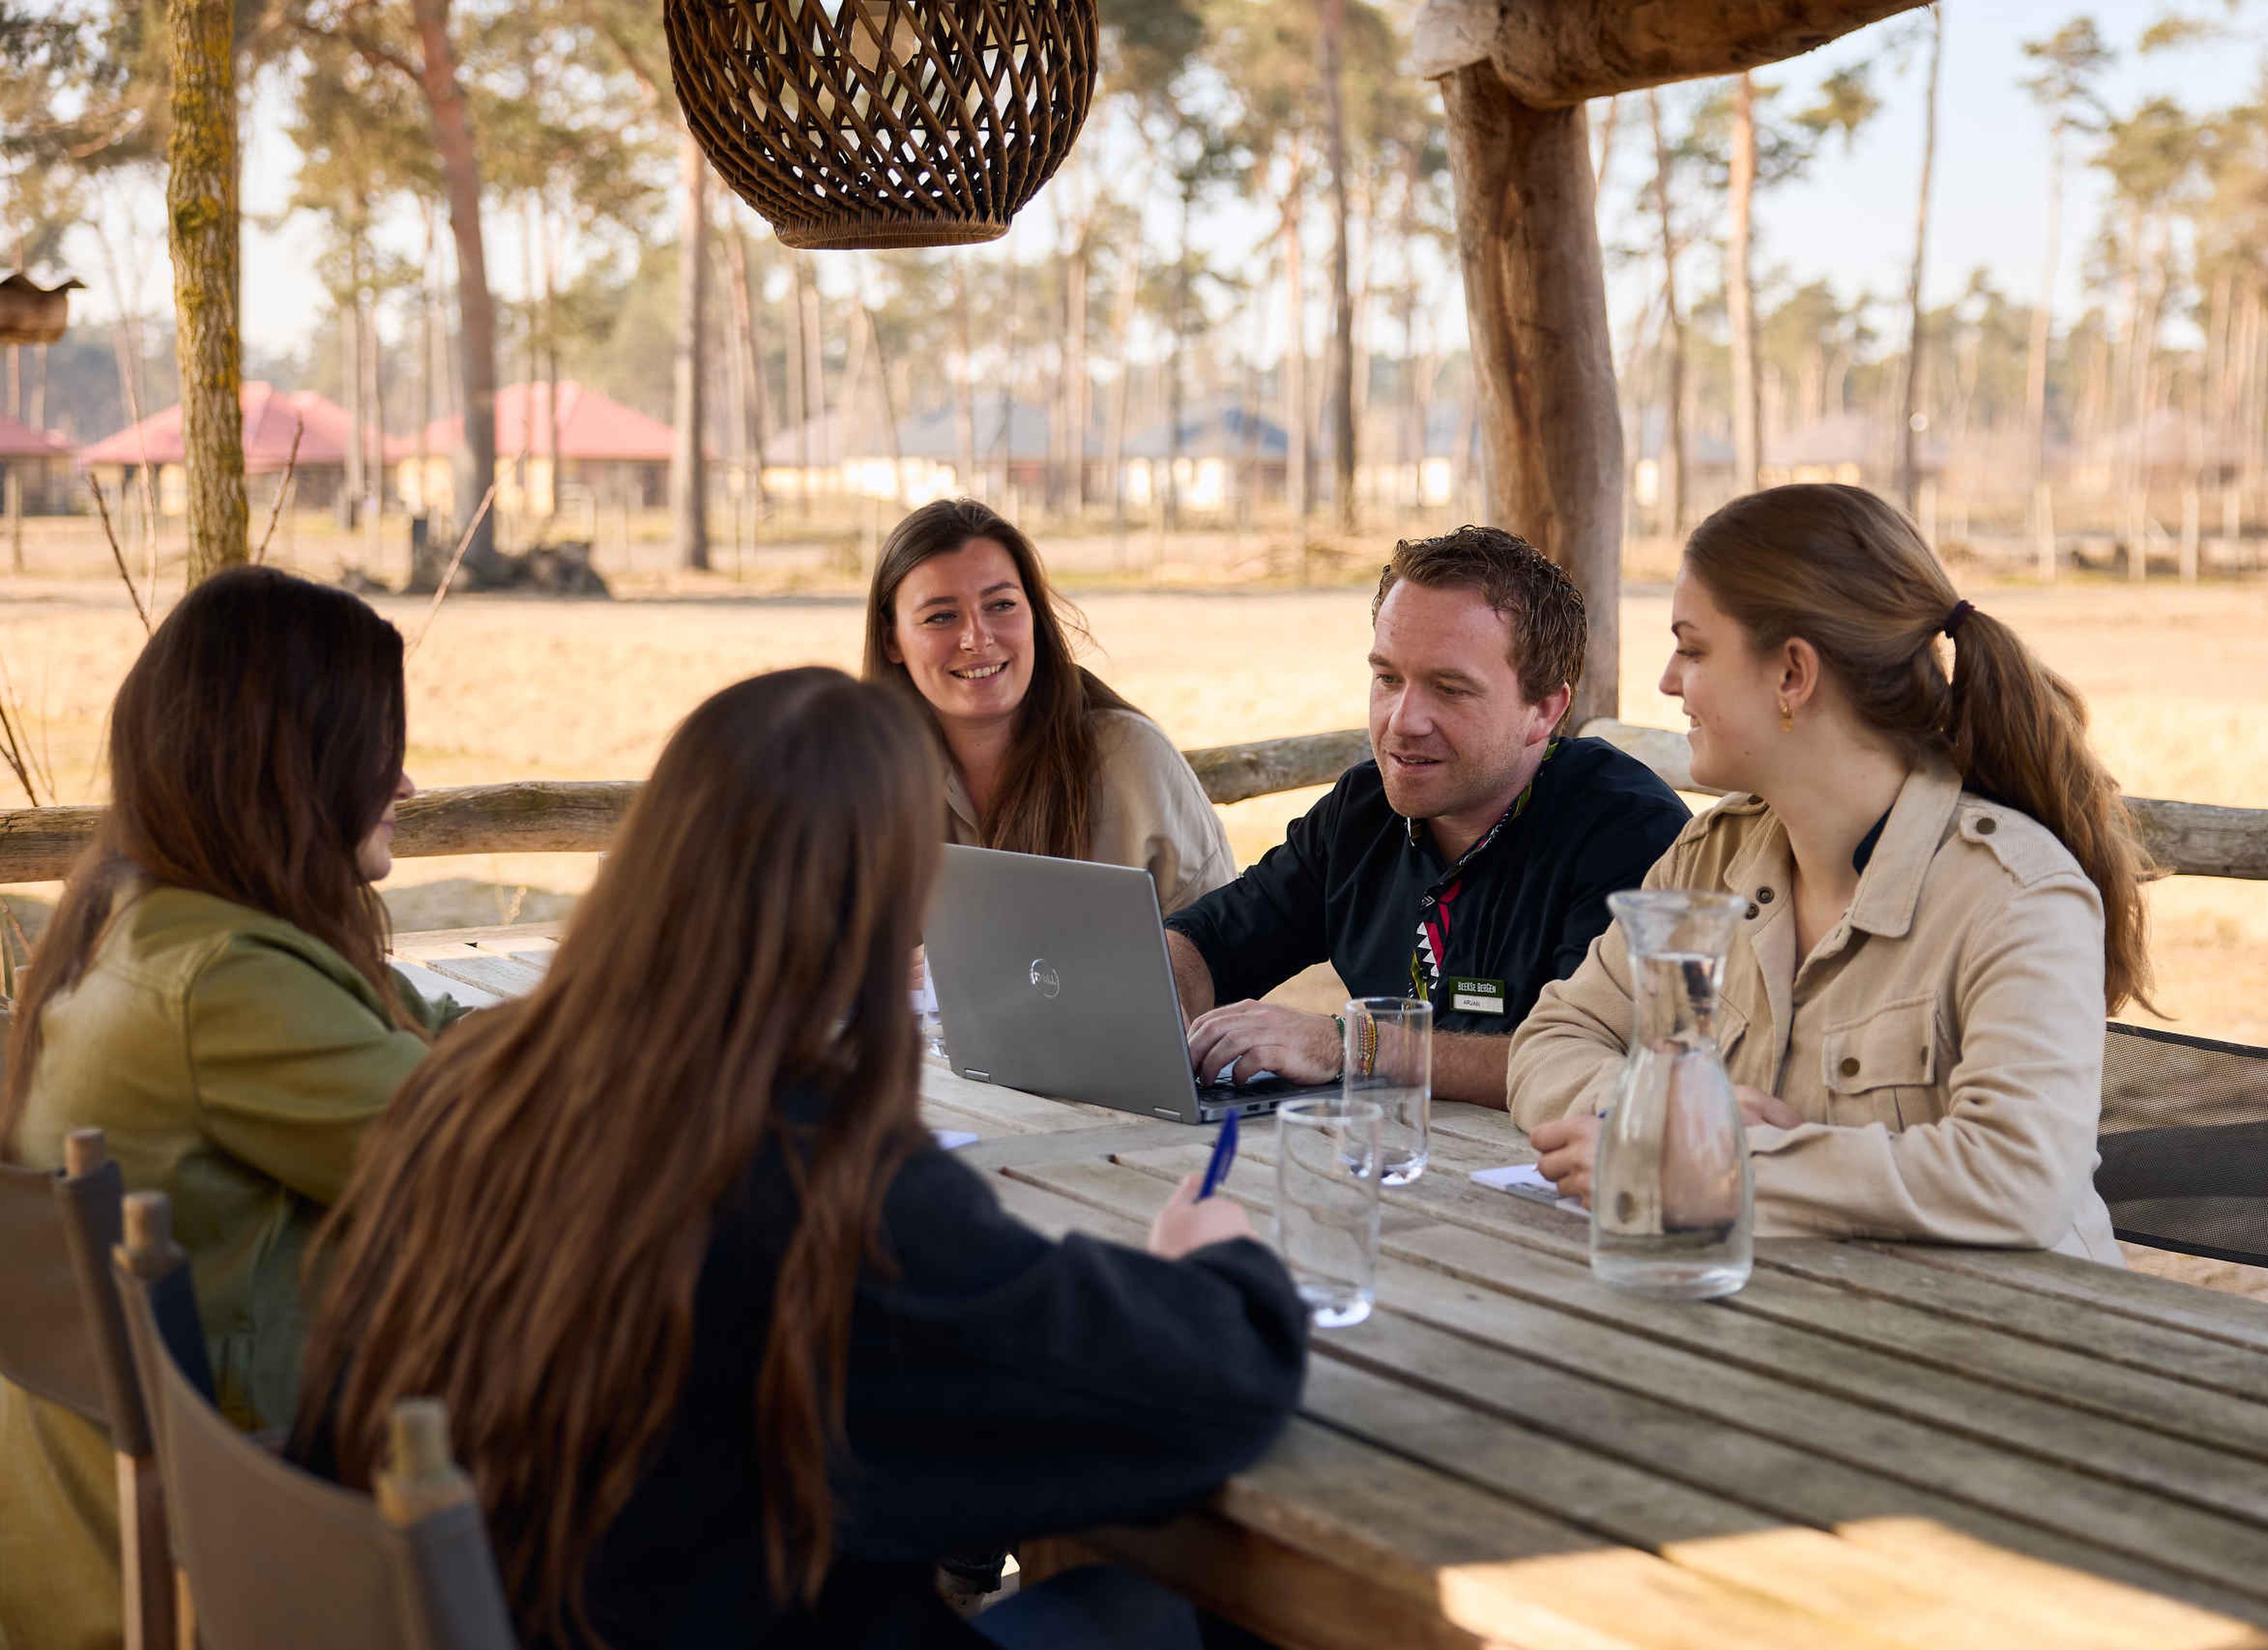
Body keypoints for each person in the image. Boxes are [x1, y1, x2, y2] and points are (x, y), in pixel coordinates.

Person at [291, 668, 1307, 1650]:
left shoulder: (473, 1089)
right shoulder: (821, 1184)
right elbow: (1208, 1389)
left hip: (526, 1609)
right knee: (1152, 1613)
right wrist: (1217, 1262)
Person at [1511, 484, 2152, 1261]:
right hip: (1786, 1325)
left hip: (2012, 1351)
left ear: (1792, 675)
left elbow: (2018, 1176)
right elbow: (1555, 1037)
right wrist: (1660, 1118)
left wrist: (1710, 1166)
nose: (1669, 681)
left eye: (1694, 647)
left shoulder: (2016, 896)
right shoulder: (1707, 862)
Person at [0, 567, 456, 1650]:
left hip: (91, 1537)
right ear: (297, 765)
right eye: (380, 750)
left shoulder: (138, 917)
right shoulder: (218, 984)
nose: (405, 785)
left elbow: (412, 1031)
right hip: (215, 1561)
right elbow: (490, 1164)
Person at [1165, 525, 1691, 1109]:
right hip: (1383, 1169)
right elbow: (1208, 940)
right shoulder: (1362, 809)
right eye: (1388, 678)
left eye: (1449, 689)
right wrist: (1161, 1003)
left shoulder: (1629, 832)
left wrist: (1356, 1047)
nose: (1403, 720)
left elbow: (1597, 1060)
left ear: (1544, 711)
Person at [866, 498, 1234, 915]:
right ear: (891, 640)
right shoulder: (861, 780)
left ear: (1035, 616)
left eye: (1001, 605)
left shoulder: (1131, 756)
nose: (977, 638)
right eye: (941, 617)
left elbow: (1224, 948)